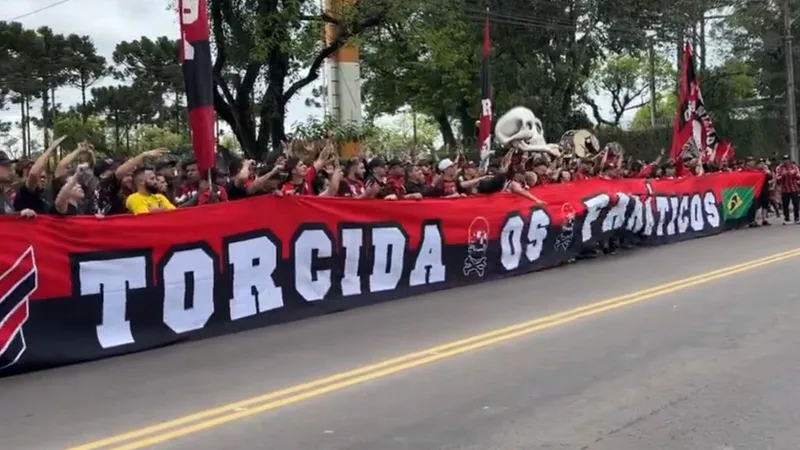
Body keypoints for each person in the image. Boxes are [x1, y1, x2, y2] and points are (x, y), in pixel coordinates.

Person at [774, 154, 800, 224]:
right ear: (783, 160)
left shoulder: (794, 167)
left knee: (796, 203)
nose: (786, 161)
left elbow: (798, 175)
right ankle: (787, 218)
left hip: (794, 188)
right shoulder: (779, 168)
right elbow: (777, 178)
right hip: (785, 189)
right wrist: (783, 175)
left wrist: (794, 174)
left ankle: (797, 217)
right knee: (785, 204)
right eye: (785, 159)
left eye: (787, 159)